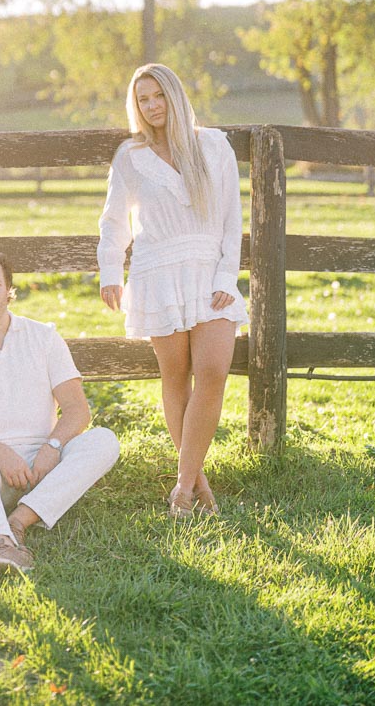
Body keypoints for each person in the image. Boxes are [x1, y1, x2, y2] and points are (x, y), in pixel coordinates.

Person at [97, 63, 247, 516]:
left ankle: (181, 487)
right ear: (136, 107)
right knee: (176, 376)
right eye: (143, 99)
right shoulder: (130, 156)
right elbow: (113, 220)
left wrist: (226, 278)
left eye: (158, 95)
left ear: (174, 96)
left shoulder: (213, 145)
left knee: (214, 370)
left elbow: (232, 220)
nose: (152, 106)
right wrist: (110, 273)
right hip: (156, 272)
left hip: (208, 273)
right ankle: (195, 486)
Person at [0, 247, 120, 574]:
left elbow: (77, 410)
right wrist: (0, 453)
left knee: (104, 441)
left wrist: (52, 447)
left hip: (46, 466)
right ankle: (1, 544)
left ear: (8, 290)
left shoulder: (43, 337)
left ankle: (20, 520)